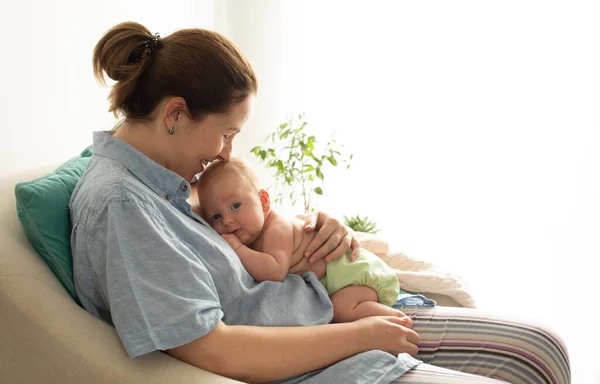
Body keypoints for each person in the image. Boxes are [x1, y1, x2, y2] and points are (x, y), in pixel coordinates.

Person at [70, 21, 570, 384]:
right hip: (322, 358)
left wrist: (310, 226)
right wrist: (361, 336)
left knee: (541, 350)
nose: (227, 153)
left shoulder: (168, 183)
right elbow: (214, 348)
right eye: (226, 134)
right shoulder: (122, 206)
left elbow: (238, 236)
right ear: (175, 113)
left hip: (321, 312)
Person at [197, 156, 403, 323]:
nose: (227, 221)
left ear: (263, 201)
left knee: (342, 310)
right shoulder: (254, 232)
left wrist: (238, 249)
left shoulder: (277, 229)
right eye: (216, 217)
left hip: (351, 274)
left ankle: (397, 319)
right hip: (342, 277)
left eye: (235, 206)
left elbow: (275, 271)